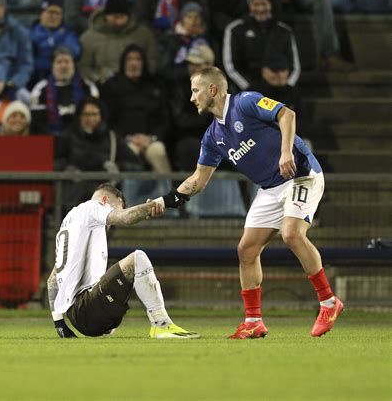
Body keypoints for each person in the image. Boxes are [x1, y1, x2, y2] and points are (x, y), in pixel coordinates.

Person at [157, 66, 344, 338]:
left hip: (301, 174)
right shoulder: (212, 137)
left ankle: (329, 303)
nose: (192, 98)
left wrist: (285, 152)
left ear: (212, 89)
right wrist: (166, 200)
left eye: (195, 90)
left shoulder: (246, 102)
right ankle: (253, 321)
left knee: (291, 234)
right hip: (270, 188)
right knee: (246, 249)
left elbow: (287, 114)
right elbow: (199, 179)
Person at [47, 183, 200, 339]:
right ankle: (162, 325)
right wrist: (163, 202)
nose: (113, 221)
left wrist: (59, 324)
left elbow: (52, 280)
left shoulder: (70, 221)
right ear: (107, 199)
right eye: (119, 207)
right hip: (86, 309)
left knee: (116, 275)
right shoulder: (95, 206)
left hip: (78, 316)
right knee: (137, 258)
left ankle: (105, 326)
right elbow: (126, 217)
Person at [54, 97, 143, 208]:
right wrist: (67, 168)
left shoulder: (112, 138)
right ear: (79, 116)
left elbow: (137, 165)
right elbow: (54, 162)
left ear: (101, 116)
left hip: (106, 196)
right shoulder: (67, 136)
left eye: (94, 114)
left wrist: (118, 167)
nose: (91, 118)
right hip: (74, 195)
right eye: (86, 114)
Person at [101, 44, 172, 174]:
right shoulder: (111, 87)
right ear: (123, 63)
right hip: (124, 141)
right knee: (129, 152)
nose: (134, 63)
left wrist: (152, 138)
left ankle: (167, 193)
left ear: (143, 62)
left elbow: (164, 119)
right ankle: (127, 194)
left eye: (138, 59)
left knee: (158, 150)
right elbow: (108, 121)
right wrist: (127, 138)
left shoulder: (155, 85)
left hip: (151, 140)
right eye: (129, 59)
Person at [222, 0, 301, 102]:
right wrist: (248, 87)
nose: (260, 9)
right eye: (256, 4)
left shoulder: (284, 31)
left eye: (264, 4)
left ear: (271, 5)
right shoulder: (235, 29)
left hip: (280, 87)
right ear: (250, 5)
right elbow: (230, 65)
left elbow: (295, 65)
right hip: (247, 88)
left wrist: (288, 85)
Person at [79, 0, 158, 85]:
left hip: (138, 85)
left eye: (122, 16)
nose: (119, 21)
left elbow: (152, 61)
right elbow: (84, 67)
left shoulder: (143, 35)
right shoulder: (89, 38)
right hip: (103, 86)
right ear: (106, 16)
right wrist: (98, 78)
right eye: (115, 17)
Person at [30, 46, 98, 135]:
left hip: (83, 138)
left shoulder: (88, 87)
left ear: (73, 65)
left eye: (67, 62)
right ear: (52, 66)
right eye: (59, 62)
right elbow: (38, 124)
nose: (63, 66)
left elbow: (95, 118)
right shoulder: (40, 89)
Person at [30, 0, 81, 83]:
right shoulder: (30, 34)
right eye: (50, 12)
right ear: (41, 14)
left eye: (57, 13)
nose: (53, 16)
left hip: (64, 79)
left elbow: (73, 53)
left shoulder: (69, 34)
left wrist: (43, 52)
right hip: (36, 78)